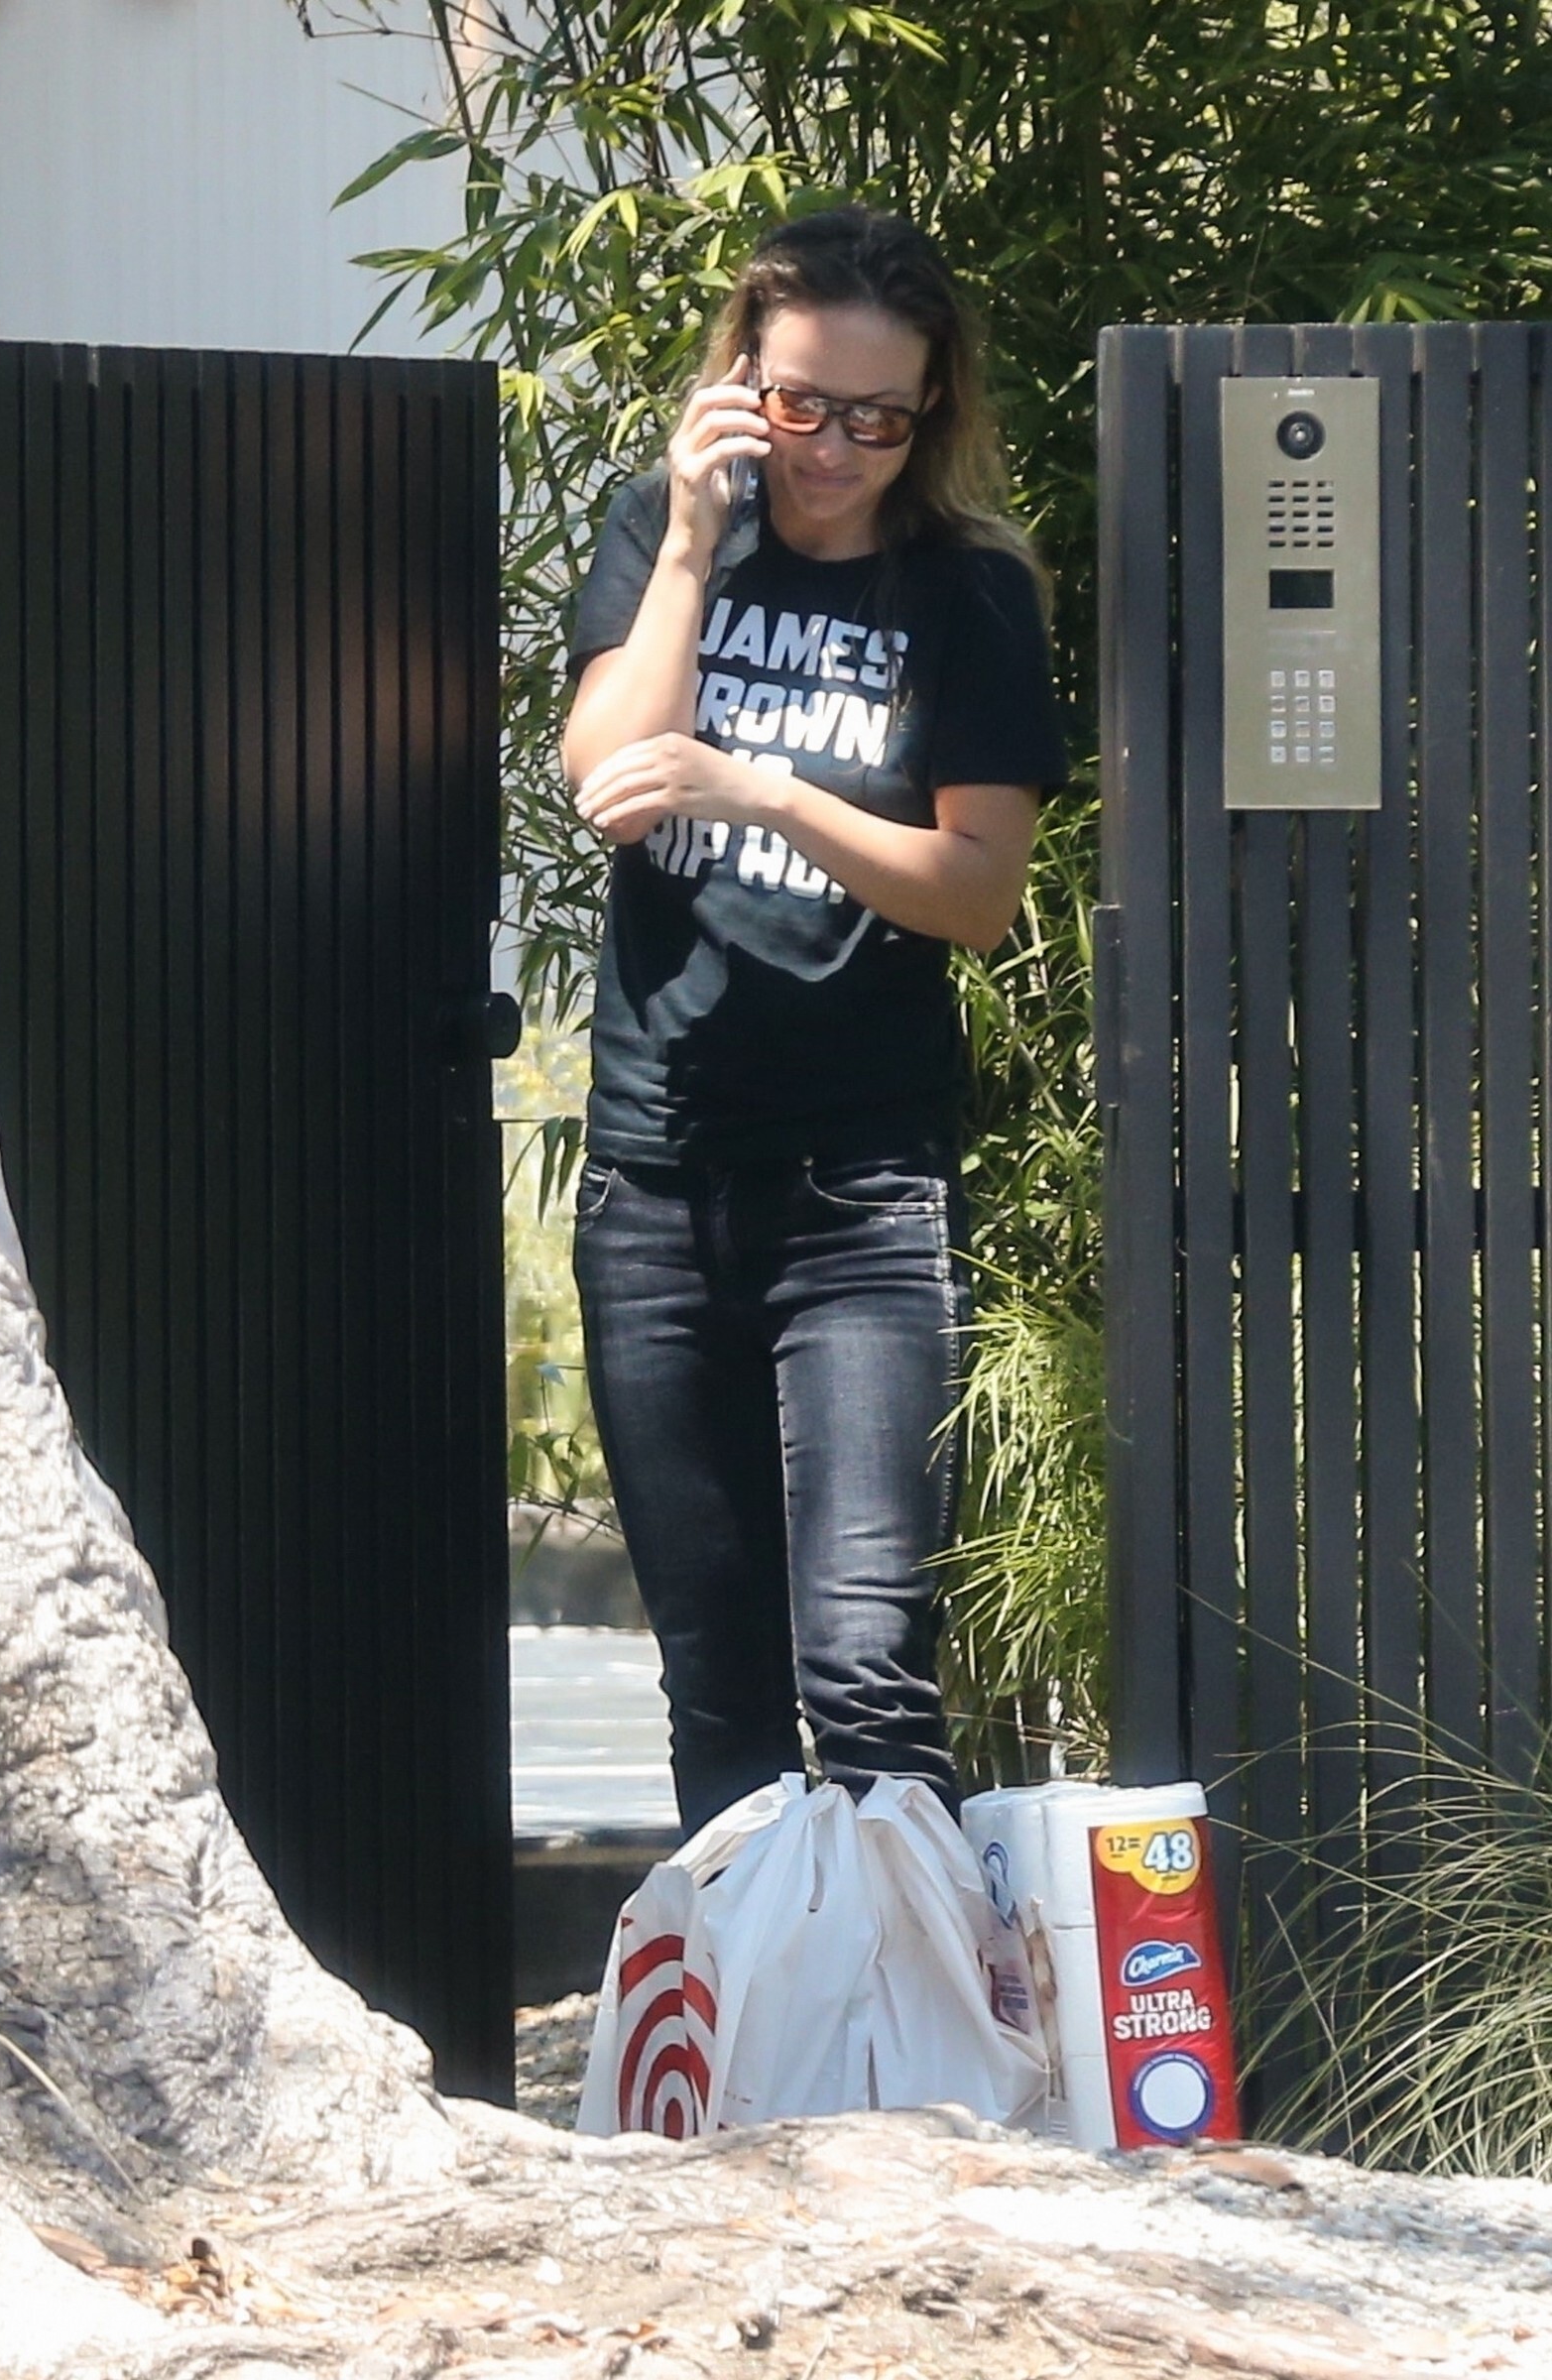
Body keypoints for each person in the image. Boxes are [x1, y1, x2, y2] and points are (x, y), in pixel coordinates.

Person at [561, 205, 1067, 1841]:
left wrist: (764, 788)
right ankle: (757, 2007)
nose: (834, 448)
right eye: (800, 404)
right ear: (741, 383)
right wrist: (691, 548)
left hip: (863, 1192)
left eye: (878, 418)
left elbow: (976, 891)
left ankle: (906, 1997)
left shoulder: (965, 594)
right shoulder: (663, 537)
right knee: (716, 1680)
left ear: (931, 417)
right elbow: (607, 783)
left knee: (862, 1661)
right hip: (655, 1179)